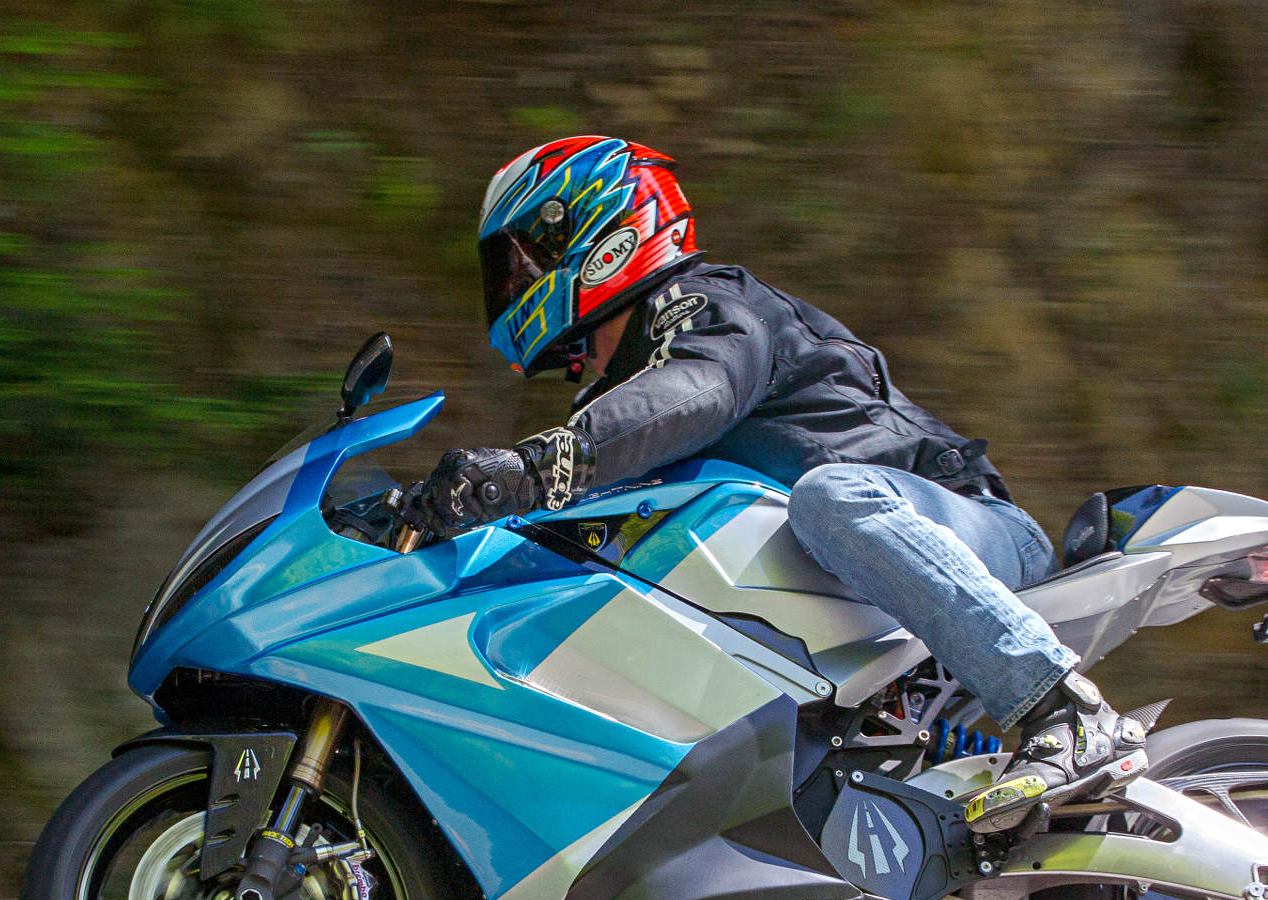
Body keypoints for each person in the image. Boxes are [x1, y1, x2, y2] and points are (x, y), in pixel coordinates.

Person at [409, 135, 1147, 832]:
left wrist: (532, 470)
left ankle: (1067, 713)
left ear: (604, 235)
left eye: (525, 260)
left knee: (832, 496)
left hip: (969, 533)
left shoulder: (709, 307)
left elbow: (699, 392)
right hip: (843, 598)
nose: (512, 284)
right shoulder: (615, 407)